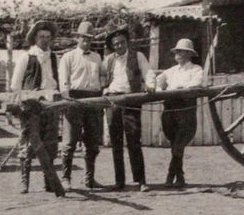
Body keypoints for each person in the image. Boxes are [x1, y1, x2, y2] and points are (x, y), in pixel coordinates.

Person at [10, 20, 60, 194]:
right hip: (32, 105)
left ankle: (49, 181)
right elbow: (15, 85)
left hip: (51, 104)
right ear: (35, 38)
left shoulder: (54, 57)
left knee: (50, 143)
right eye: (41, 37)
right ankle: (25, 182)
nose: (45, 40)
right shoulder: (26, 57)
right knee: (28, 145)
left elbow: (58, 82)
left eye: (48, 37)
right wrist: (27, 97)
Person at [103, 27, 155, 192]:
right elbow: (102, 78)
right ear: (112, 46)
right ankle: (120, 181)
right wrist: (104, 89)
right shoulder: (108, 60)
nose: (119, 46)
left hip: (131, 99)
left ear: (127, 42)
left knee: (133, 141)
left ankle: (141, 181)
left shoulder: (137, 56)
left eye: (121, 42)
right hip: (113, 102)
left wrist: (150, 85)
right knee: (116, 142)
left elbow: (148, 73)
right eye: (115, 44)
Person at [58, 21, 105, 190]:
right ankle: (65, 178)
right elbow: (63, 82)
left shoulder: (97, 57)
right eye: (83, 38)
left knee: (92, 142)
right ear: (77, 38)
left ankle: (89, 179)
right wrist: (67, 99)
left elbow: (102, 78)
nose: (86, 41)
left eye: (89, 38)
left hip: (93, 99)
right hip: (74, 99)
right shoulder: (68, 57)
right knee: (70, 141)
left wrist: (102, 91)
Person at [156, 38, 203, 188]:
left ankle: (171, 176)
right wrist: (159, 90)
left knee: (178, 145)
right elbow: (158, 81)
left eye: (181, 51)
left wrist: (180, 88)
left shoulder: (196, 70)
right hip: (169, 110)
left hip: (185, 110)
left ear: (189, 54)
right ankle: (179, 177)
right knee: (174, 144)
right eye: (177, 51)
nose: (178, 54)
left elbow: (196, 84)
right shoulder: (170, 71)